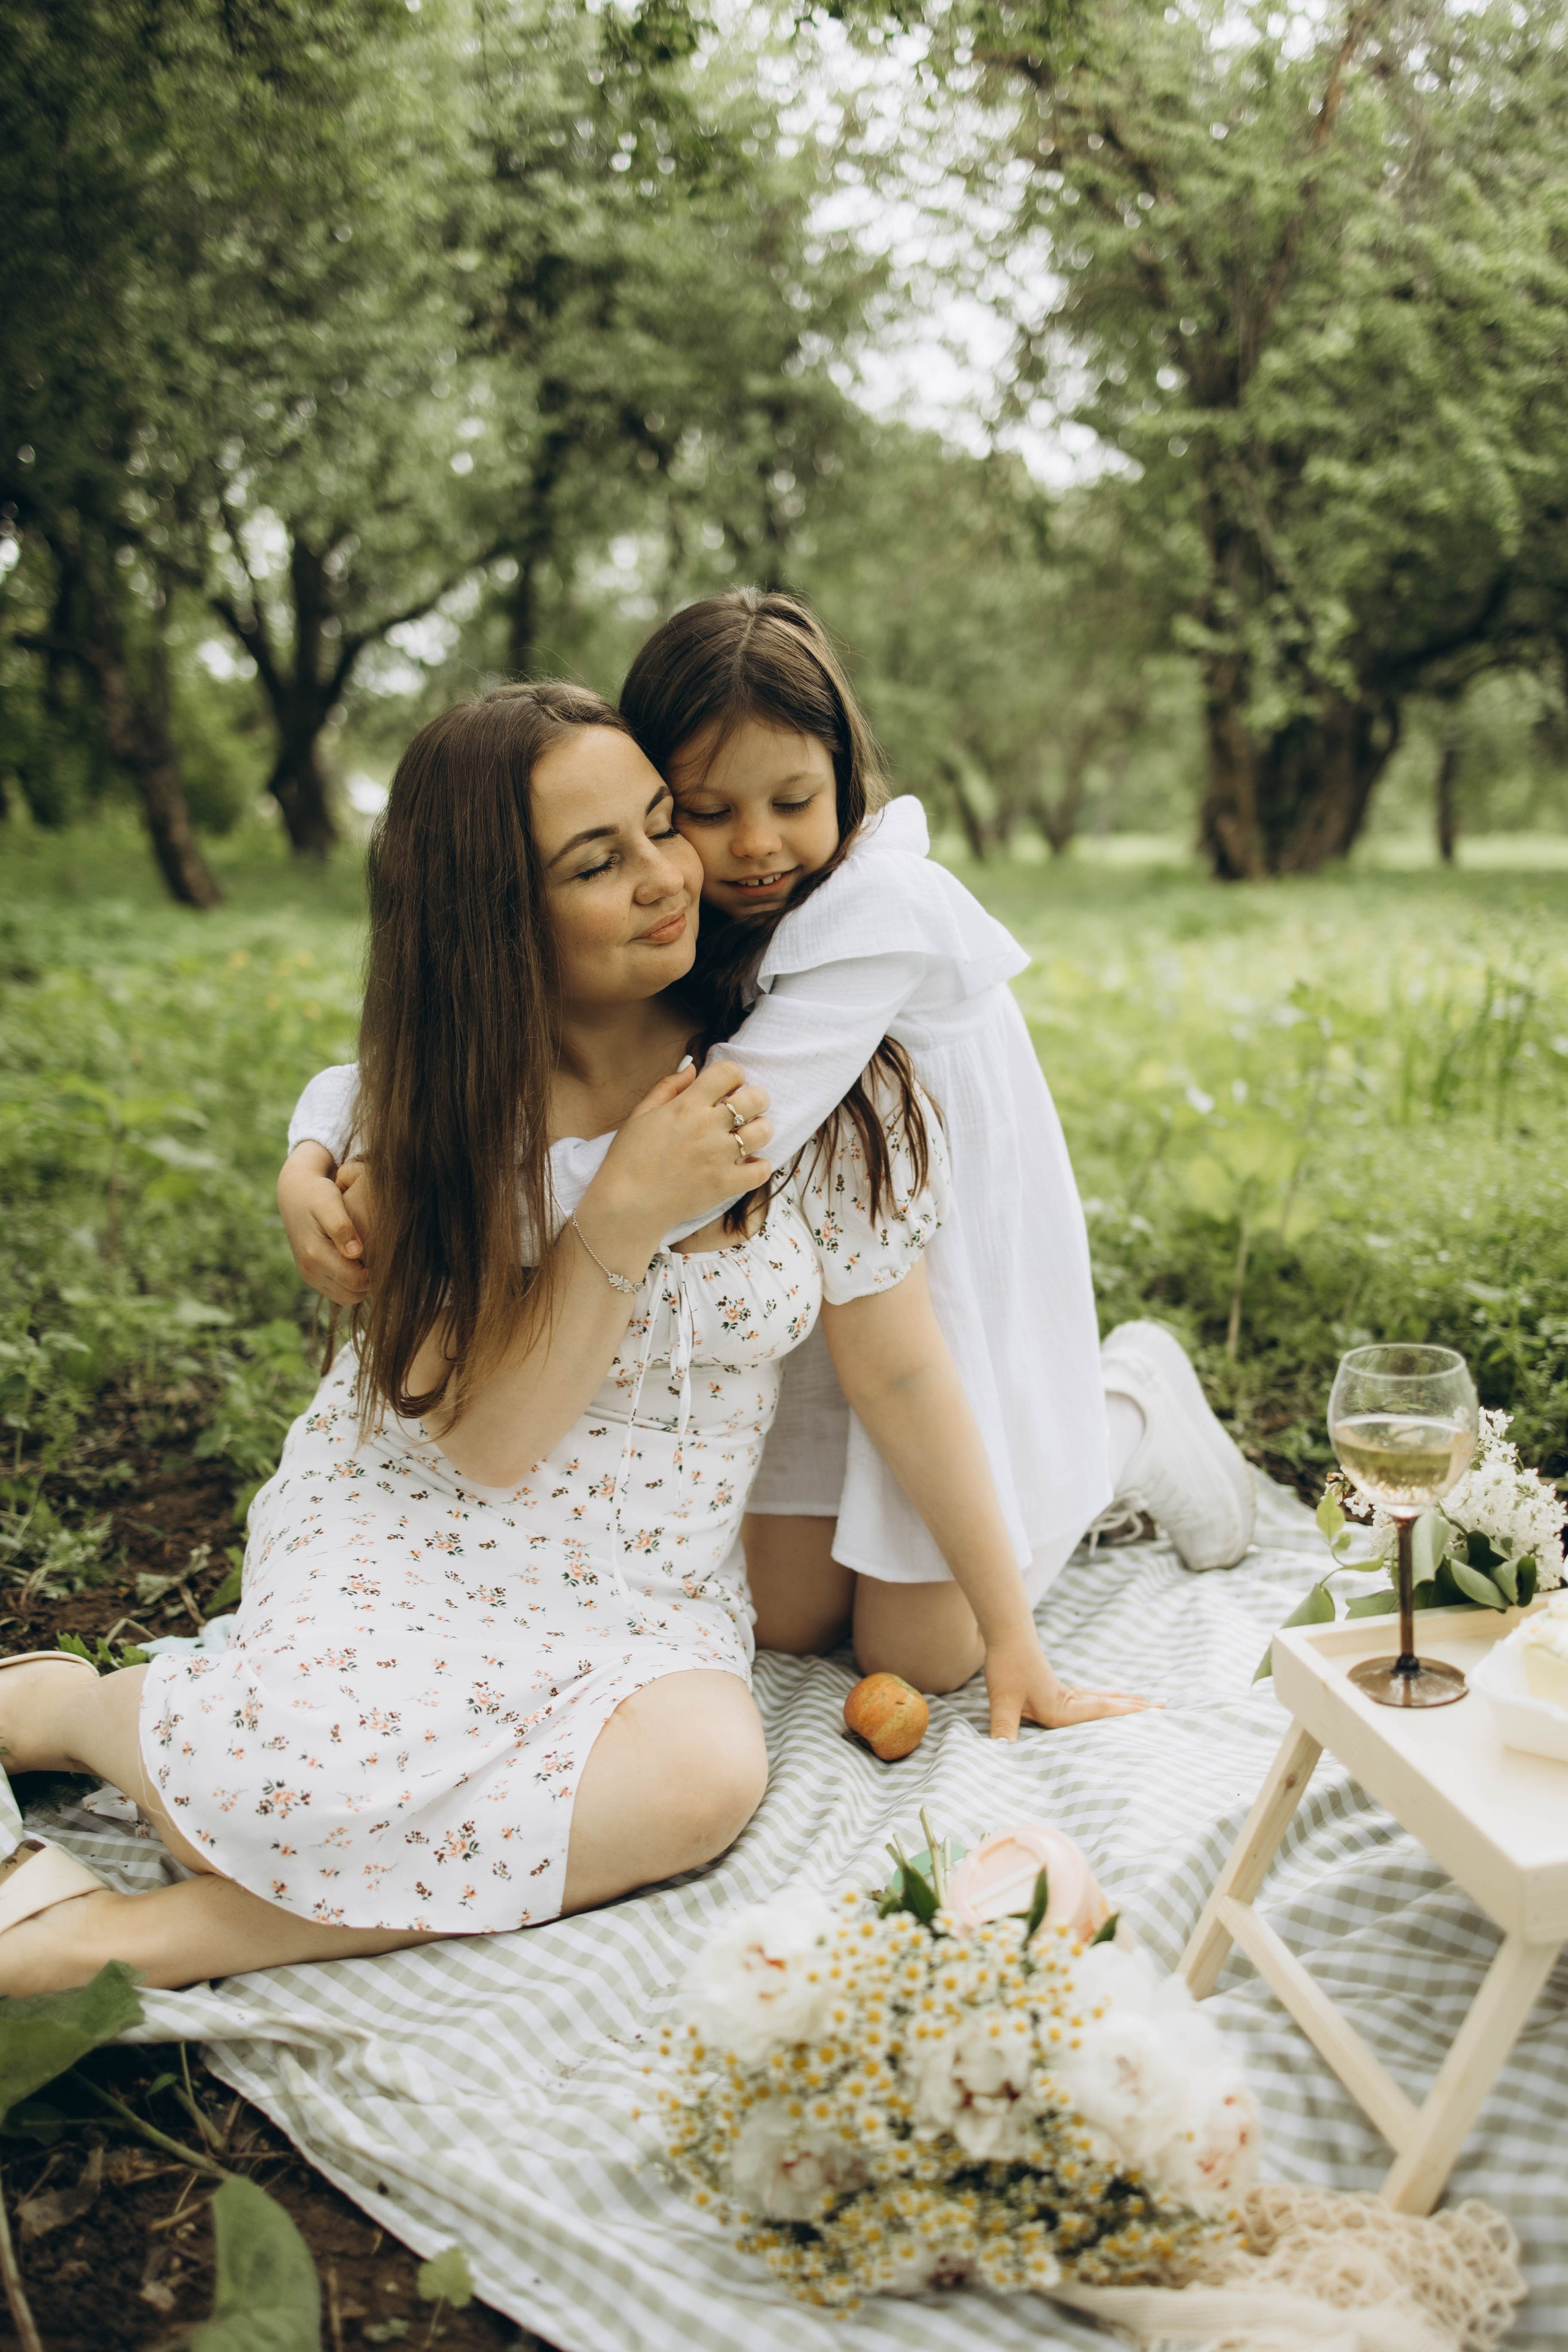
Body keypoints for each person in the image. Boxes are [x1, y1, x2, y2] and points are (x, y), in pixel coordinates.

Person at [0, 684, 1147, 1997]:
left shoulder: (811, 1084)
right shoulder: (442, 1118)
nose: (668, 877)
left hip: (646, 1584)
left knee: (702, 1781)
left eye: (662, 825)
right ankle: (77, 1713)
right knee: (288, 1762)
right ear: (496, 912)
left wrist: (1014, 1637)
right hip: (421, 1525)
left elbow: (898, 1369)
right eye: (597, 864)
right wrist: (621, 1212)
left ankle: (114, 1938)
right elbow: (484, 1445)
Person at [281, 594, 1255, 1682]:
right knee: (788, 1617)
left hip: (934, 1227)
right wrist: (320, 1147)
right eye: (702, 810)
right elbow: (430, 1058)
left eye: (793, 801)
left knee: (927, 1650)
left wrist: (507, 1195)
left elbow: (723, 1140)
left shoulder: (871, 917)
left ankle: (1127, 1417)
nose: (750, 846)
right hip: (790, 1262)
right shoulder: (688, 927)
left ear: (844, 775)